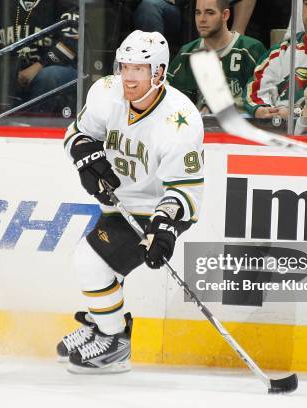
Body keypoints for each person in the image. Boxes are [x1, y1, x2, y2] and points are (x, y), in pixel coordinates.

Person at [59, 30, 204, 373]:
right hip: (120, 199)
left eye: (139, 69)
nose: (128, 76)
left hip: (163, 204)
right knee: (105, 268)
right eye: (124, 66)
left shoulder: (179, 120)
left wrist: (164, 225)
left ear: (159, 72)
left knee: (90, 263)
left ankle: (115, 341)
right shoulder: (106, 93)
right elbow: (75, 134)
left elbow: (185, 189)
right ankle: (100, 326)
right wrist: (83, 153)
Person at [0, 0, 78, 115]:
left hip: (60, 69)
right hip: (14, 72)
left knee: (48, 76)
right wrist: (11, 73)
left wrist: (36, 68)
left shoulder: (63, 3)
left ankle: (36, 126)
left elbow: (73, 44)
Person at [168, 0, 266, 113]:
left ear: (225, 15)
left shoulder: (251, 49)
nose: (202, 19)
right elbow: (169, 97)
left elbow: (263, 96)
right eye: (198, 13)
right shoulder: (186, 53)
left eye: (210, 13)